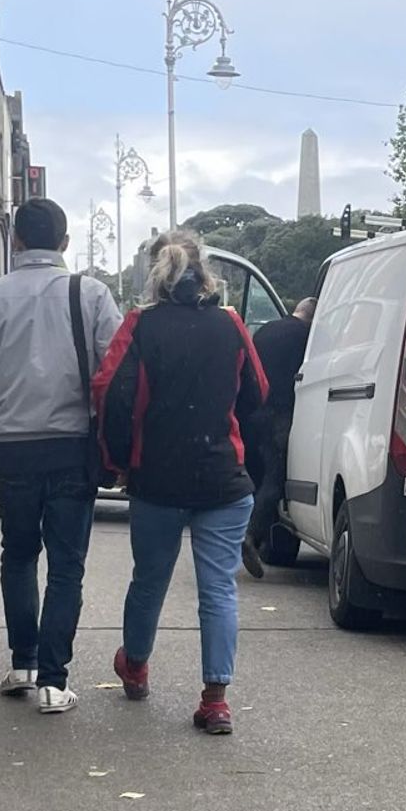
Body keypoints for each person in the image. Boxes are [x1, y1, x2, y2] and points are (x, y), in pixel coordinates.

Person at [0, 198, 121, 715]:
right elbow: (115, 373)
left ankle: (22, 662)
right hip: (72, 445)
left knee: (19, 555)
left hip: (12, 448)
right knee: (67, 565)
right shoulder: (90, 294)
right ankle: (53, 681)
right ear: (65, 244)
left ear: (16, 241)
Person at [95, 231, 268, 735]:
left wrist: (119, 461)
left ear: (156, 275)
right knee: (217, 590)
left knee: (149, 580)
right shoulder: (231, 325)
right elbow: (258, 393)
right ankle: (215, 700)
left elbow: (111, 392)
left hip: (157, 479)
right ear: (205, 273)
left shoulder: (141, 325)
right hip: (223, 480)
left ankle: (136, 666)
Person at [243, 295, 316, 577]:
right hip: (281, 415)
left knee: (255, 476)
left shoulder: (266, 330)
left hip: (253, 411)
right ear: (313, 318)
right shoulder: (308, 337)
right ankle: (250, 536)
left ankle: (238, 532)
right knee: (276, 479)